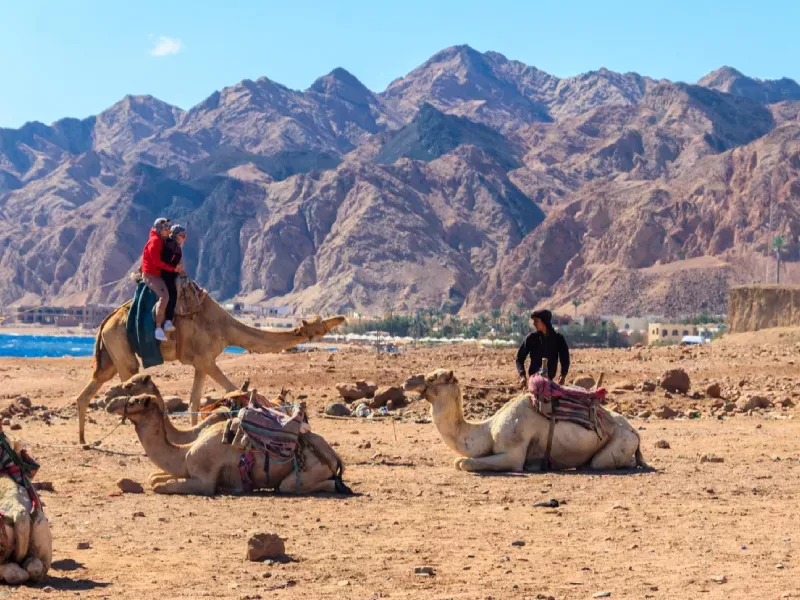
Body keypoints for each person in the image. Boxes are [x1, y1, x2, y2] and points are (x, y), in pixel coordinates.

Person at [141, 218, 178, 341]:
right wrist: (173, 269)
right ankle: (158, 328)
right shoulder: (155, 242)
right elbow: (157, 262)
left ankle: (168, 320)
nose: (168, 231)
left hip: (157, 274)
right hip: (151, 275)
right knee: (164, 296)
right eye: (166, 229)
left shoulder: (161, 240)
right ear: (160, 230)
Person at [516, 309, 570, 387]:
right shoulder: (531, 338)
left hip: (549, 381)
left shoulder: (558, 339)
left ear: (544, 321)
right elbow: (520, 358)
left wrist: (563, 375)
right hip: (534, 382)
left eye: (536, 321)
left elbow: (565, 359)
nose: (534, 324)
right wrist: (522, 375)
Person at [161, 224, 187, 331]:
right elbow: (167, 262)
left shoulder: (171, 244)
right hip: (167, 274)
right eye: (183, 235)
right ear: (177, 235)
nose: (184, 238)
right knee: (173, 294)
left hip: (170, 272)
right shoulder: (172, 245)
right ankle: (168, 320)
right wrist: (176, 268)